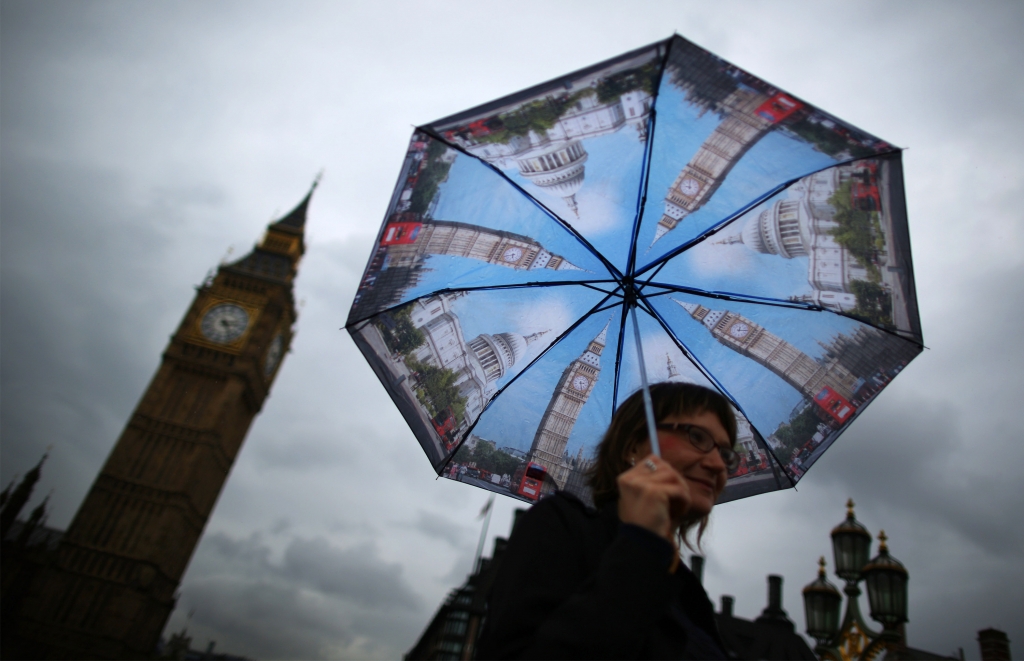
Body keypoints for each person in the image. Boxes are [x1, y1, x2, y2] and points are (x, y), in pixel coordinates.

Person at [475, 382, 739, 660]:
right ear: (632, 446)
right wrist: (642, 543)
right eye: (697, 437)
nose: (718, 465)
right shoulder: (562, 527)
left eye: (726, 454)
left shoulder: (690, 593)